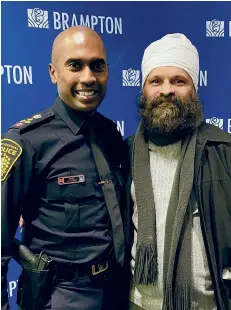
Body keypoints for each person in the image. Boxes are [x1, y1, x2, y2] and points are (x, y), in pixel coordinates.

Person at [1, 26, 128, 310]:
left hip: (117, 290)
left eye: (97, 66)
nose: (88, 77)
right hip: (61, 295)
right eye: (75, 65)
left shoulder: (110, 134)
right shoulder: (26, 142)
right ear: (53, 72)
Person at [125, 33, 231, 310]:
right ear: (144, 89)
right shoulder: (123, 154)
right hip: (137, 304)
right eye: (155, 81)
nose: (166, 90)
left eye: (178, 81)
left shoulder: (223, 151)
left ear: (194, 89)